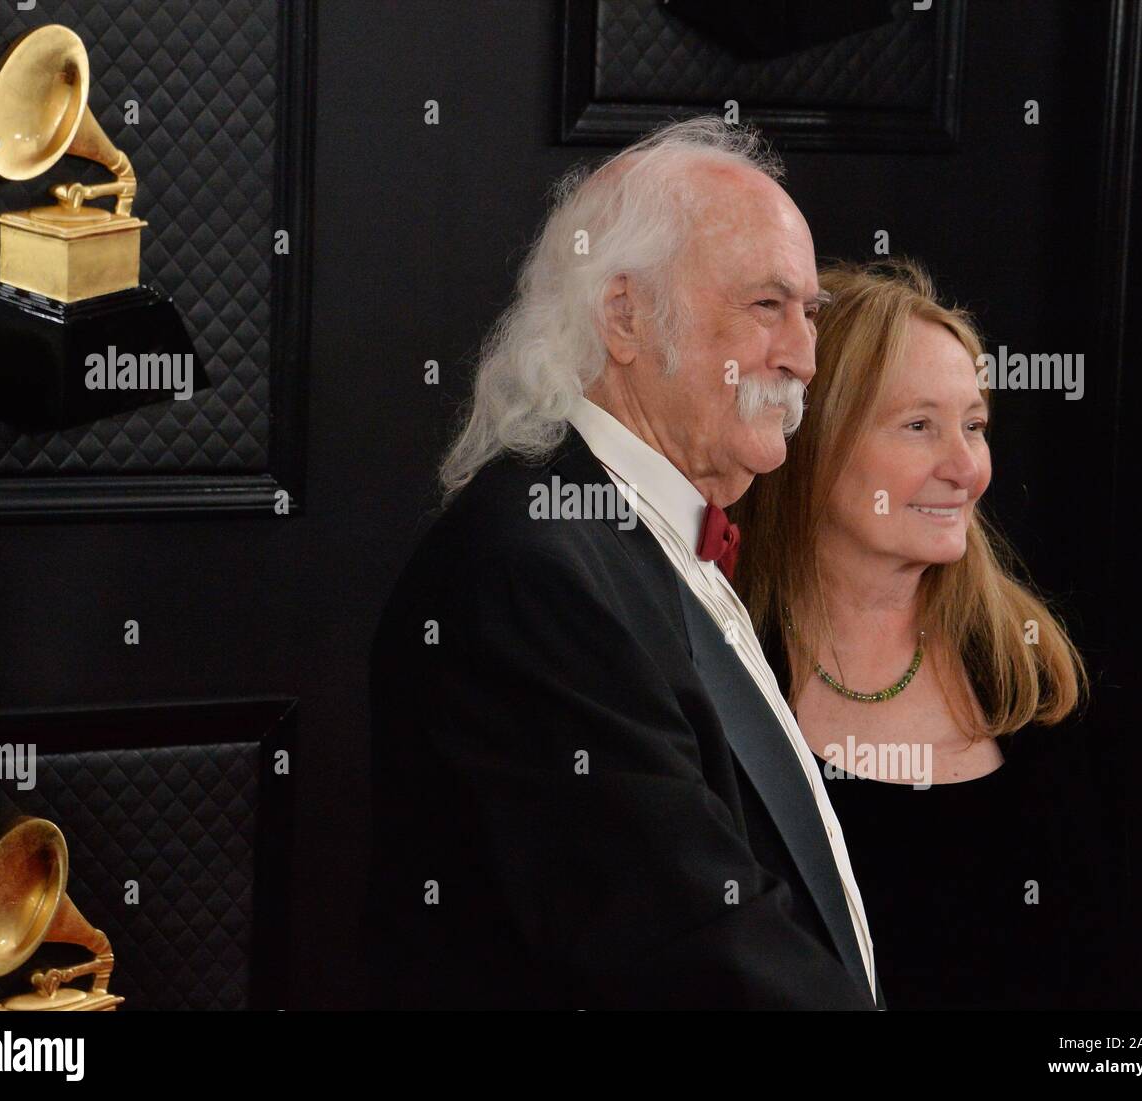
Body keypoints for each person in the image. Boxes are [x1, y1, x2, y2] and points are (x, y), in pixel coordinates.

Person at [363, 118, 886, 1008]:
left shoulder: (630, 532)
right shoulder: (534, 572)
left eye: (810, 314)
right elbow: (696, 954)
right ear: (625, 316)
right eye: (767, 306)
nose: (803, 354)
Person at [731, 259, 1124, 1008]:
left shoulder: (1032, 678)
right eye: (920, 426)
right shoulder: (718, 670)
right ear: (810, 442)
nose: (967, 468)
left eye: (974, 425)